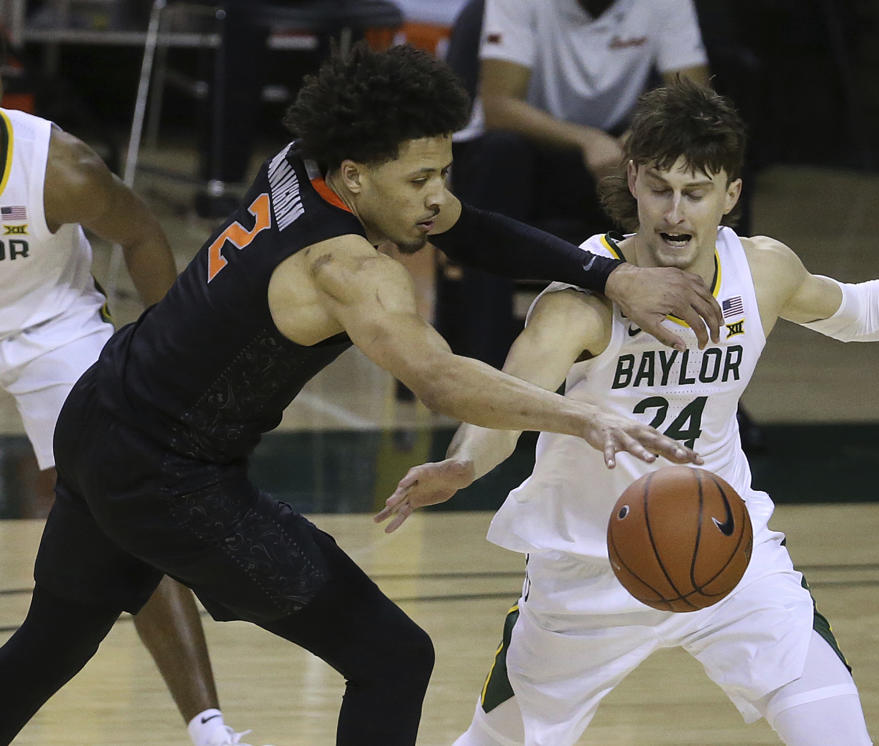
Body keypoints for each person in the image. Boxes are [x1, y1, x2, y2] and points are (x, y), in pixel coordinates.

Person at [0, 44, 726, 745]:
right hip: (168, 478)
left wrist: (608, 277)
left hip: (100, 413)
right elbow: (440, 380)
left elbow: (467, 230)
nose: (437, 196)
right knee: (392, 658)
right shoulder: (345, 268)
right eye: (418, 181)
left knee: (53, 637)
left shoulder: (299, 162)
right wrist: (580, 415)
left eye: (443, 170)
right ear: (355, 177)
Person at [377, 81, 879, 745]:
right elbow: (510, 402)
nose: (674, 211)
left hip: (727, 551)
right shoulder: (582, 296)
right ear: (632, 181)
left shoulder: (761, 271)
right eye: (659, 188)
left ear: (730, 196)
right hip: (589, 570)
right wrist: (462, 463)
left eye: (695, 191)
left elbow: (859, 312)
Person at [0, 93, 258, 745]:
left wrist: (168, 363)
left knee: (125, 497)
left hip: (51, 327)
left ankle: (209, 728)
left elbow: (143, 234)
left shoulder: (59, 169)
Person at [439, 0, 710, 369]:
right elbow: (500, 107)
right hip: (530, 158)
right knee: (500, 154)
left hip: (620, 153)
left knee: (703, 162)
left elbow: (692, 97)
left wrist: (636, 140)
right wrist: (586, 140)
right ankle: (487, 368)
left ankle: (705, 356)